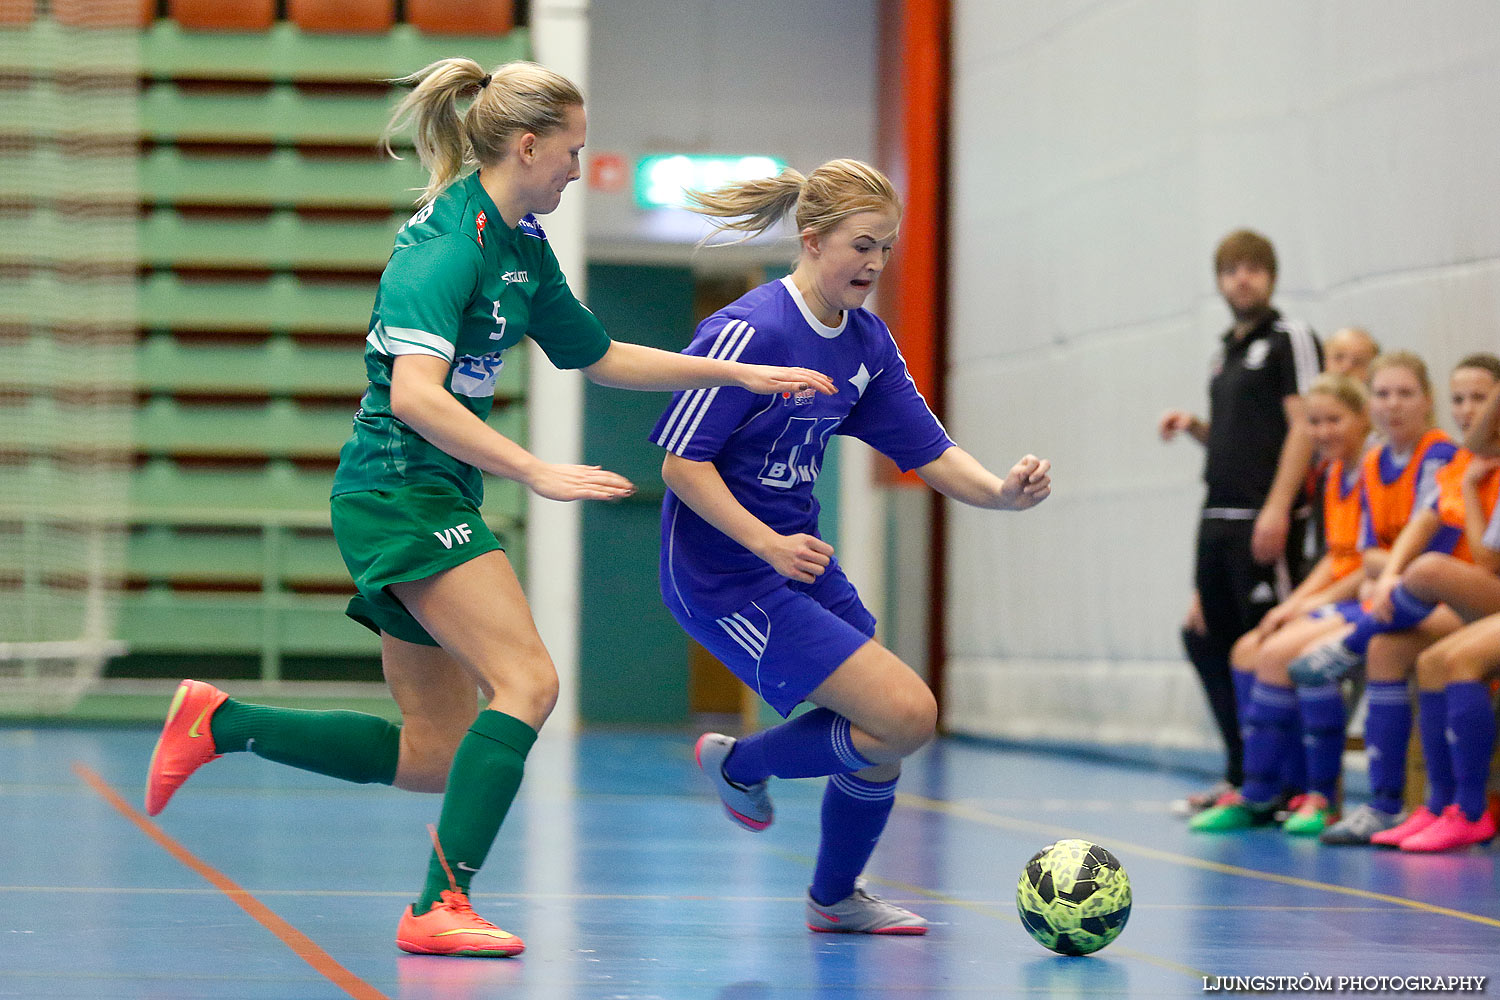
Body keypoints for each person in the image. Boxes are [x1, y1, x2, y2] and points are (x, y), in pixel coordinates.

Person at [141, 58, 838, 959]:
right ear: (528, 145)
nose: (580, 169)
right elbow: (417, 395)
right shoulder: (449, 245)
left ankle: (218, 722)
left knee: (433, 752)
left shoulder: (521, 244)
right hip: (401, 489)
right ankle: (439, 904)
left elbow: (597, 354)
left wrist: (738, 371)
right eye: (574, 152)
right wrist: (534, 469)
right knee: (531, 683)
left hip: (424, 492)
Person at [649, 158, 1051, 934]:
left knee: (885, 737)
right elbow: (680, 464)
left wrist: (1001, 492)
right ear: (811, 241)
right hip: (723, 573)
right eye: (861, 245)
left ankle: (833, 898)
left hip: (797, 561)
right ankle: (740, 767)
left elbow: (930, 450)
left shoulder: (865, 343)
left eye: (886, 249)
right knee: (906, 714)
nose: (873, 264)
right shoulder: (750, 329)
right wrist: (766, 544)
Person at [1192, 354, 1457, 834]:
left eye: (1333, 420)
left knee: (1284, 657)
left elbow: (1385, 557)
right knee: (1246, 649)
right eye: (1313, 422)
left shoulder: (1433, 456)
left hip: (1404, 596)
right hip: (1381, 588)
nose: (1322, 432)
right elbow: (1360, 556)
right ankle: (1270, 787)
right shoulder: (1348, 472)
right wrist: (1297, 603)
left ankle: (1310, 793)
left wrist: (1321, 598)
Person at [1160, 230, 1322, 814]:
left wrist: (1279, 506)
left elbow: (1303, 428)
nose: (1242, 279)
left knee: (1268, 642)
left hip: (1262, 519)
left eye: (1253, 268)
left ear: (1271, 277)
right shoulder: (1222, 351)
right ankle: (1243, 775)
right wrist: (1197, 429)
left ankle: (1292, 785)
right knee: (1209, 637)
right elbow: (1239, 438)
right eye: (1231, 270)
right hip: (1216, 517)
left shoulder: (1290, 339)